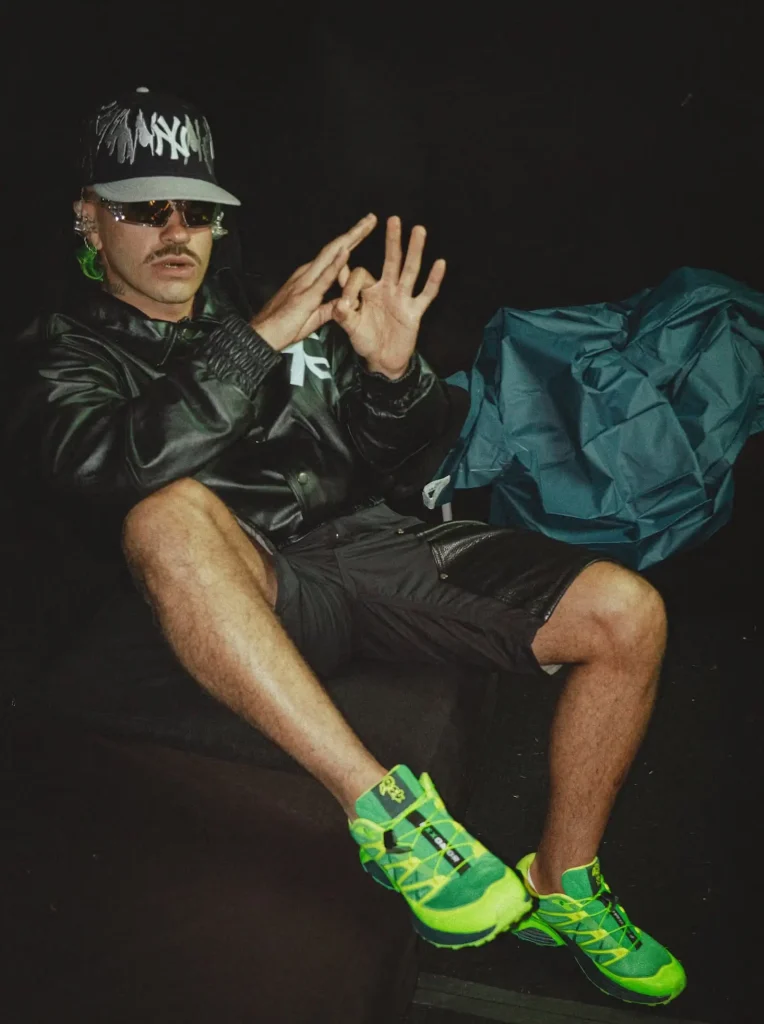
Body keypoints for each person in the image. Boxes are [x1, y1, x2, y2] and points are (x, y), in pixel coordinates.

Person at [6, 87, 686, 1007]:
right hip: (247, 588)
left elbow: (396, 460)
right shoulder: (61, 349)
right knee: (164, 514)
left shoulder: (263, 302)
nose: (175, 232)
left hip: (366, 548)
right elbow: (109, 465)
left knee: (627, 614)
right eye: (142, 209)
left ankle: (565, 884)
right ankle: (390, 818)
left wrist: (393, 373)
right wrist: (254, 344)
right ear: (89, 217)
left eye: (196, 210)